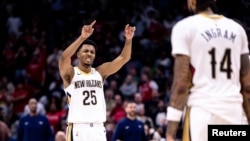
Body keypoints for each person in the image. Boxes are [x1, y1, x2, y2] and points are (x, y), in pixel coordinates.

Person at [165, 0, 250, 141]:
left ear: (192, 1)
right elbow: (247, 87)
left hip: (202, 111)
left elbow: (180, 86)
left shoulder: (184, 27)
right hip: (233, 112)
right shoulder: (237, 29)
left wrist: (170, 133)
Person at [58, 20, 135, 141]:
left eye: (92, 52)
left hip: (98, 129)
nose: (89, 54)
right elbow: (64, 58)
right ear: (78, 54)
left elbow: (124, 58)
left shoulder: (100, 72)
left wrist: (128, 40)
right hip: (78, 129)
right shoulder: (71, 73)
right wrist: (82, 38)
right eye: (85, 51)